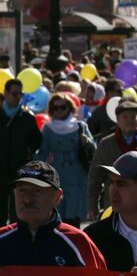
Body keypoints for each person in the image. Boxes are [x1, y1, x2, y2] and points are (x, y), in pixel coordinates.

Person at [89, 98, 137, 214]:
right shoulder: (105, 145)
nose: (129, 120)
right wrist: (92, 207)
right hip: (113, 208)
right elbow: (95, 177)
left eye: (133, 117)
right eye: (125, 117)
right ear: (117, 120)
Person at [34, 93, 95, 224]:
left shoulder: (80, 126)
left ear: (70, 107)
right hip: (57, 171)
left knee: (74, 212)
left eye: (63, 107)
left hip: (77, 171)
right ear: (51, 110)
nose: (59, 110)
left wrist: (87, 142)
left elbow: (94, 148)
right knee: (58, 208)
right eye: (56, 108)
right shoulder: (48, 128)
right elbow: (42, 151)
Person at [0, 78, 43, 224]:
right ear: (5, 93)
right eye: (14, 94)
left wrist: (28, 151)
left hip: (19, 172)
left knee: (17, 214)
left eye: (20, 94)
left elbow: (37, 139)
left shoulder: (27, 118)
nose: (18, 97)